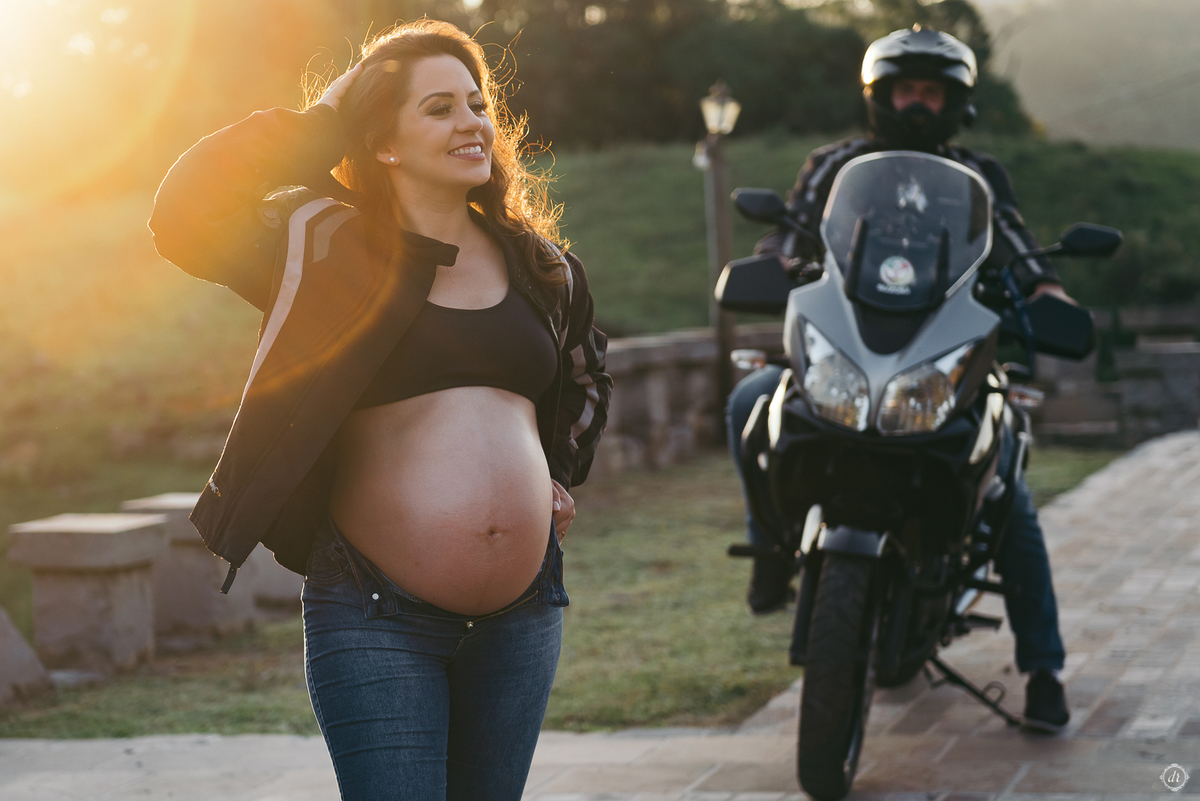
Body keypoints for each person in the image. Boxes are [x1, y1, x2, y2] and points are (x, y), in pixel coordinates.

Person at [149, 20, 611, 799]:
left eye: (475, 103)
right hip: (375, 612)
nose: (470, 122)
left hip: (524, 615)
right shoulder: (320, 242)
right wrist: (325, 120)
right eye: (437, 108)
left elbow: (584, 374)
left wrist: (551, 475)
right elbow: (185, 211)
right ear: (383, 141)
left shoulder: (543, 265)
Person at [725, 25, 1071, 732]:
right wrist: (779, 262)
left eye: (931, 91)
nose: (917, 104)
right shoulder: (833, 165)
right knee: (750, 400)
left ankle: (1043, 667)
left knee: (1005, 486)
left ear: (954, 101)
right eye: (905, 89)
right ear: (879, 96)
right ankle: (771, 547)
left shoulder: (978, 176)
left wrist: (1046, 293)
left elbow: (1015, 244)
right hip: (850, 345)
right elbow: (792, 233)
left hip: (942, 355)